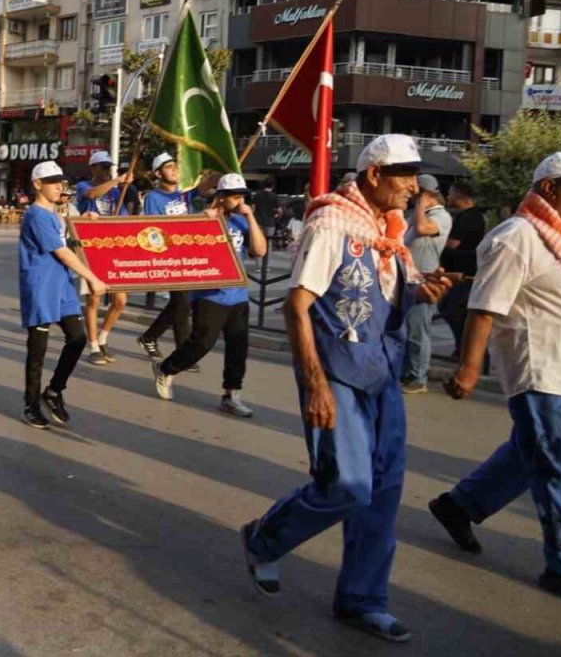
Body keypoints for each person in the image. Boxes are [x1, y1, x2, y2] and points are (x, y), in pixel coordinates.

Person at [239, 134, 451, 644]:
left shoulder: (388, 230)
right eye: (404, 175)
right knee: (348, 486)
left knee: (383, 493)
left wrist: (425, 289)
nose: (413, 187)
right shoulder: (331, 223)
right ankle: (267, 538)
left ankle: (363, 600)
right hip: (336, 373)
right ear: (375, 175)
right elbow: (297, 305)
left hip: (382, 373)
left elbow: (385, 292)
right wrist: (314, 386)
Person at [432, 152, 561, 611]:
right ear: (549, 189)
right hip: (544, 371)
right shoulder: (516, 237)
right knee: (559, 464)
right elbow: (485, 307)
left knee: (529, 453)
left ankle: (460, 506)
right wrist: (469, 369)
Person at [152, 173, 267, 417]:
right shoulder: (204, 217)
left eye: (243, 196)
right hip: (209, 293)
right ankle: (166, 368)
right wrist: (202, 221)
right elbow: (178, 242)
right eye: (235, 196)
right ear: (221, 197)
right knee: (202, 342)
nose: (239, 201)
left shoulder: (242, 221)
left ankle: (231, 394)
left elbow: (259, 250)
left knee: (238, 348)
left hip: (238, 294)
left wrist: (250, 217)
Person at [20, 161, 107, 428]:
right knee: (38, 350)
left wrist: (84, 223)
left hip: (62, 285)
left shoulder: (54, 215)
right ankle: (31, 404)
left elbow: (66, 242)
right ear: (38, 185)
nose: (60, 187)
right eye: (53, 182)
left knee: (78, 338)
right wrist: (91, 277)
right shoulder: (35, 214)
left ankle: (54, 390)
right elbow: (61, 251)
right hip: (41, 286)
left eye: (61, 182)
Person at [136, 153, 196, 360]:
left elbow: (207, 185)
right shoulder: (153, 197)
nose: (175, 169)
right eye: (169, 167)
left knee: (181, 303)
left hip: (189, 256)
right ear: (158, 173)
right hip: (170, 256)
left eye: (176, 166)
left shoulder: (185, 193)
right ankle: (184, 352)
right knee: (182, 301)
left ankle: (149, 337)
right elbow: (154, 228)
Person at [76, 150, 132, 365]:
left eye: (109, 166)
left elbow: (123, 219)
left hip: (114, 249)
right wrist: (117, 181)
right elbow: (91, 195)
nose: (108, 170)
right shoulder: (84, 186)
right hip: (91, 250)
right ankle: (92, 345)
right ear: (93, 168)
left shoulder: (116, 193)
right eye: (103, 166)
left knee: (120, 300)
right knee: (94, 298)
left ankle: (103, 337)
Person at [400, 175, 452, 394]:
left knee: (418, 330)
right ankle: (407, 371)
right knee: (405, 329)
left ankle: (418, 377)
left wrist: (421, 206)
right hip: (408, 277)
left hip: (424, 279)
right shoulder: (417, 214)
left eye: (418, 194)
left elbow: (422, 229)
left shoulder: (441, 217)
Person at [438, 181, 485, 356]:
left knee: (453, 311)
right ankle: (463, 349)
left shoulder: (466, 218)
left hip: (462, 275)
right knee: (453, 311)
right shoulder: (474, 216)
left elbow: (453, 244)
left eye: (450, 193)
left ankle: (465, 350)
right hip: (463, 273)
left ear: (460, 196)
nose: (448, 197)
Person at [254, 178, 279, 243]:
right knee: (269, 242)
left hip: (258, 222)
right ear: (273, 186)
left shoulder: (257, 195)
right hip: (270, 223)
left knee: (258, 241)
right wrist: (276, 216)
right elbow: (279, 210)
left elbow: (253, 208)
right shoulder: (274, 196)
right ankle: (268, 253)